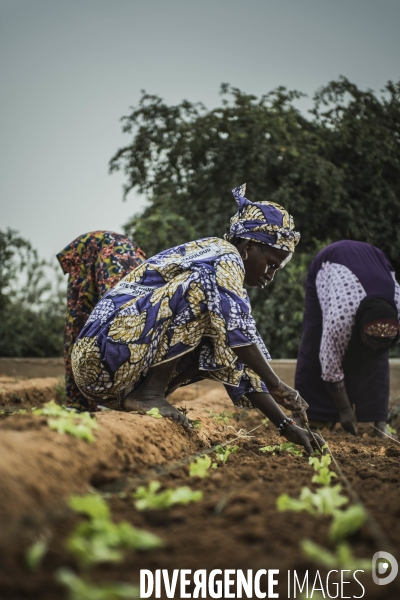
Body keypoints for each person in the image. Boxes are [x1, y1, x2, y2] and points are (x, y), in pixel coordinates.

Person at [71, 184, 324, 454]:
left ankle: (147, 392)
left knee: (223, 331)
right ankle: (149, 393)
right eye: (271, 263)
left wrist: (285, 425)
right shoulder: (225, 257)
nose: (271, 275)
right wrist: (278, 385)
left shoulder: (226, 281)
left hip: (116, 375)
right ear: (250, 246)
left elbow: (243, 359)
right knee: (205, 294)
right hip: (99, 355)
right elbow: (237, 331)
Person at [295, 240, 400, 436]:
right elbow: (330, 366)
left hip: (377, 260)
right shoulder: (341, 318)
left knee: (377, 358)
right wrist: (344, 410)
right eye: (369, 339)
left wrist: (379, 420)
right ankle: (310, 416)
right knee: (315, 340)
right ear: (358, 326)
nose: (374, 345)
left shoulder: (396, 315)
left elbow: (377, 359)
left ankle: (379, 424)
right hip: (330, 262)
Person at [57, 230, 146, 411]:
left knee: (116, 330)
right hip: (88, 251)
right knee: (80, 328)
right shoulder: (117, 298)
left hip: (123, 256)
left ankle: (106, 399)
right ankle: (80, 403)